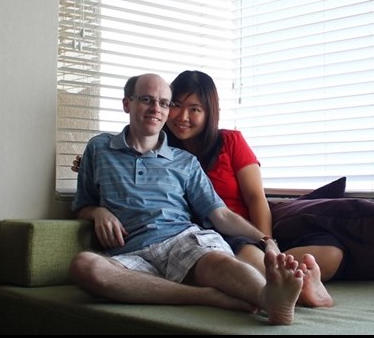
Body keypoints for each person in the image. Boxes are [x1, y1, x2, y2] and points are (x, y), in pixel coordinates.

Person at [72, 72, 338, 307]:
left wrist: (266, 240)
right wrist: (97, 212)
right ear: (127, 103)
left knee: (226, 262)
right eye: (146, 99)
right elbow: (82, 205)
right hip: (128, 253)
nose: (156, 108)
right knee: (85, 266)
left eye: (164, 103)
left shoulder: (185, 160)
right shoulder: (99, 149)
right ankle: (204, 296)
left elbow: (221, 214)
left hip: (180, 240)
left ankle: (270, 299)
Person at [163, 70, 343, 305]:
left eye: (195, 109)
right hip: (208, 237)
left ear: (209, 113)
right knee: (245, 258)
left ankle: (283, 274)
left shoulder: (231, 141)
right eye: (176, 105)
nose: (182, 116)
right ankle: (295, 287)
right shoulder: (160, 152)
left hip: (248, 231)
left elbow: (256, 197)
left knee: (331, 254)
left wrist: (267, 243)